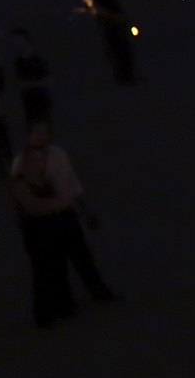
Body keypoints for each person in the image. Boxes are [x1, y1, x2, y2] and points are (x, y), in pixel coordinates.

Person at [8, 125, 117, 329]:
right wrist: (62, 204)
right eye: (37, 133)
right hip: (40, 226)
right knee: (45, 270)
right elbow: (33, 207)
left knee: (73, 258)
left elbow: (71, 182)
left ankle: (67, 303)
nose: (41, 164)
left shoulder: (57, 156)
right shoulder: (21, 173)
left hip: (56, 220)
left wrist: (81, 208)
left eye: (45, 132)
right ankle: (48, 312)